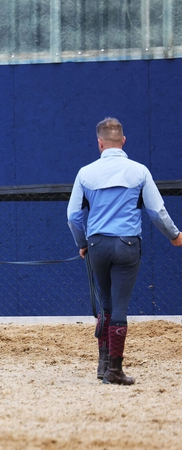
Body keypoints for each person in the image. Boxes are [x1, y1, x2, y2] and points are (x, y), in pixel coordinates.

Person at [67, 117, 182, 385]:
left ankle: (103, 365)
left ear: (99, 143)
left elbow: (73, 215)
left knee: (105, 304)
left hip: (97, 245)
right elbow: (156, 211)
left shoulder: (85, 173)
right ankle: (115, 371)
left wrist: (82, 243)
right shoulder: (139, 171)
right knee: (119, 306)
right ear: (123, 141)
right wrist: (175, 236)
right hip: (128, 245)